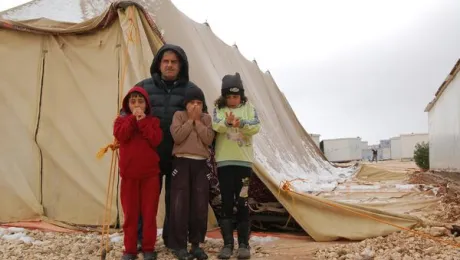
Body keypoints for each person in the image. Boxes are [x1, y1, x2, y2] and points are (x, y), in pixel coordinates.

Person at [133, 44, 208, 249]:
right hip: (150, 155)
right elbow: (127, 111)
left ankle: (173, 241)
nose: (169, 65)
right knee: (146, 200)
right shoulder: (143, 88)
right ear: (158, 64)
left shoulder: (192, 92)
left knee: (177, 202)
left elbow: (205, 119)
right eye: (165, 61)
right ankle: (141, 239)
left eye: (174, 62)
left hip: (180, 157)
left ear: (181, 65)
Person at [212, 72, 261, 259]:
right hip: (224, 162)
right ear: (224, 96)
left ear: (241, 95)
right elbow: (216, 125)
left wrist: (241, 123)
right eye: (229, 96)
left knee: (243, 202)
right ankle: (227, 245)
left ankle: (243, 244)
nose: (232, 100)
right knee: (226, 202)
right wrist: (227, 121)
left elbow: (256, 126)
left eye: (236, 96)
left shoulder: (249, 107)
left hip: (244, 163)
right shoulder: (218, 108)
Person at [114, 87, 163, 260]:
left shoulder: (153, 121)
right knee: (130, 215)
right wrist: (132, 120)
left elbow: (155, 139)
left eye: (140, 101)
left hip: (150, 175)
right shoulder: (120, 121)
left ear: (146, 104)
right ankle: (130, 249)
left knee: (149, 213)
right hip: (129, 176)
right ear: (127, 105)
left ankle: (149, 247)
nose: (137, 105)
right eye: (133, 101)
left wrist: (142, 122)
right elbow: (121, 135)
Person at [168, 87, 215, 260]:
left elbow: (209, 139)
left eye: (199, 103)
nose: (195, 106)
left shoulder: (207, 119)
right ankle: (180, 245)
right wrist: (190, 121)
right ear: (185, 104)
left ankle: (196, 244)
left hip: (201, 164)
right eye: (192, 103)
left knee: (199, 205)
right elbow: (177, 137)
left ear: (203, 105)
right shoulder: (179, 116)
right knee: (180, 204)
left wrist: (199, 122)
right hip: (181, 162)